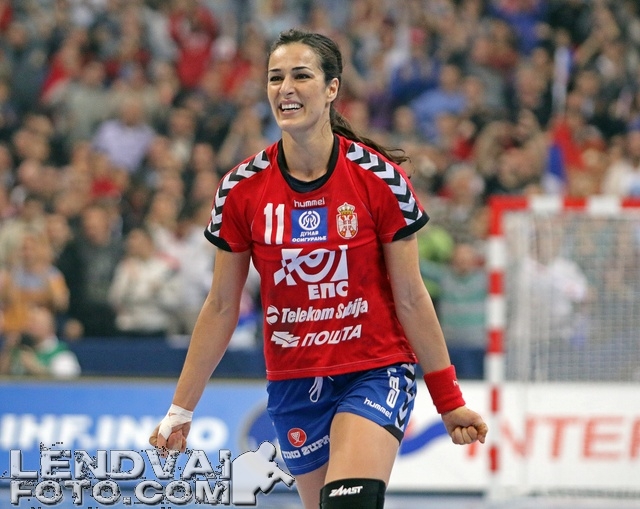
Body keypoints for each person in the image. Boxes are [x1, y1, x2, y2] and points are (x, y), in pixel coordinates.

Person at [149, 29, 487, 509]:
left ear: (332, 88)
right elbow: (222, 305)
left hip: (375, 369)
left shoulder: (379, 178)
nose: (285, 88)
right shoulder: (241, 189)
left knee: (349, 503)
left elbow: (412, 297)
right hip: (294, 381)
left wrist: (448, 400)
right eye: (275, 78)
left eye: (301, 76)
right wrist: (180, 410)